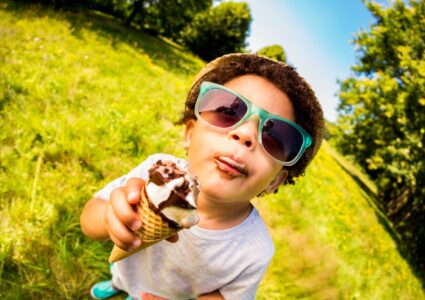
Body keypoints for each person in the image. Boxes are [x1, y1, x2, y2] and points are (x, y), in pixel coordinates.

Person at [80, 53, 324, 300]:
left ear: (275, 180)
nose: (245, 134)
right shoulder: (153, 173)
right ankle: (119, 284)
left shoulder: (255, 250)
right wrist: (110, 216)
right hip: (128, 268)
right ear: (189, 134)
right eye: (228, 111)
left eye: (275, 137)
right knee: (122, 276)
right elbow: (90, 218)